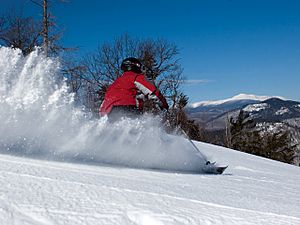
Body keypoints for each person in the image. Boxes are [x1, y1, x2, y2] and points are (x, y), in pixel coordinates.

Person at [100, 57, 169, 121]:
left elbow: (104, 103)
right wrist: (164, 105)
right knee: (136, 131)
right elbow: (152, 91)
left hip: (110, 113)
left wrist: (103, 118)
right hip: (128, 108)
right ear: (136, 66)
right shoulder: (136, 77)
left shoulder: (114, 84)